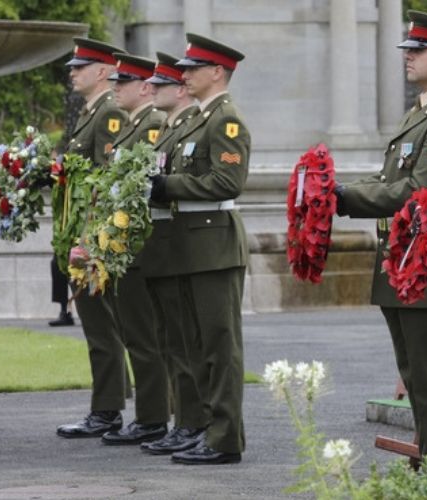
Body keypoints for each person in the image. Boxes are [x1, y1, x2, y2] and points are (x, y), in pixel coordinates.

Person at [334, 10, 427, 489]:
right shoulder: (421, 113)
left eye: (417, 51)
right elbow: (389, 181)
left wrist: (343, 197)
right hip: (404, 266)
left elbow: (421, 191)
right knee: (419, 385)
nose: (408, 57)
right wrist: (342, 190)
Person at [149, 33, 249, 465]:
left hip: (213, 244)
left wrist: (165, 186)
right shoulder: (195, 121)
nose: (183, 75)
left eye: (192, 68)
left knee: (219, 347)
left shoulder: (226, 121)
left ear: (217, 72)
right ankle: (207, 428)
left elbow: (228, 183)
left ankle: (225, 438)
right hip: (191, 245)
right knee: (195, 346)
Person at [56, 37, 130, 439]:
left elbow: (106, 180)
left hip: (95, 237)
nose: (72, 72)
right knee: (98, 327)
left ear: (102, 72)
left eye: (79, 67)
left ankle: (107, 411)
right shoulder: (92, 112)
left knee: (103, 328)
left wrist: (89, 237)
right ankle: (108, 406)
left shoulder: (109, 114)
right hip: (85, 232)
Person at [137, 52, 209, 455]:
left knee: (188, 341)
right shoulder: (169, 128)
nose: (153, 90)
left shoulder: (192, 125)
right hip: (166, 242)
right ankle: (185, 421)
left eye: (161, 85)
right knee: (172, 340)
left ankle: (193, 421)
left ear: (180, 90)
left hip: (185, 240)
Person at [98, 53, 170, 446]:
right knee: (137, 333)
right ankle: (151, 414)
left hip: (142, 245)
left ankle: (154, 416)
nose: (114, 88)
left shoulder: (152, 125)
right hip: (128, 244)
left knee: (146, 336)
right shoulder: (134, 125)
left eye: (122, 82)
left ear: (143, 87)